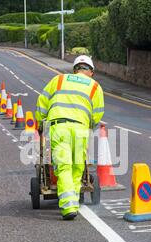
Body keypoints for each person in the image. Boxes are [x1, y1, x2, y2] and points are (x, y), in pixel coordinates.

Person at [36, 56, 105, 220]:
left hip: (59, 127)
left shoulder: (58, 80)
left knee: (63, 166)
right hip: (80, 129)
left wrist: (40, 123)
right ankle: (71, 204)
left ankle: (68, 206)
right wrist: (90, 126)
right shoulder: (95, 87)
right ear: (91, 72)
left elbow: (42, 102)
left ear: (75, 69)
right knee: (77, 167)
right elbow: (97, 114)